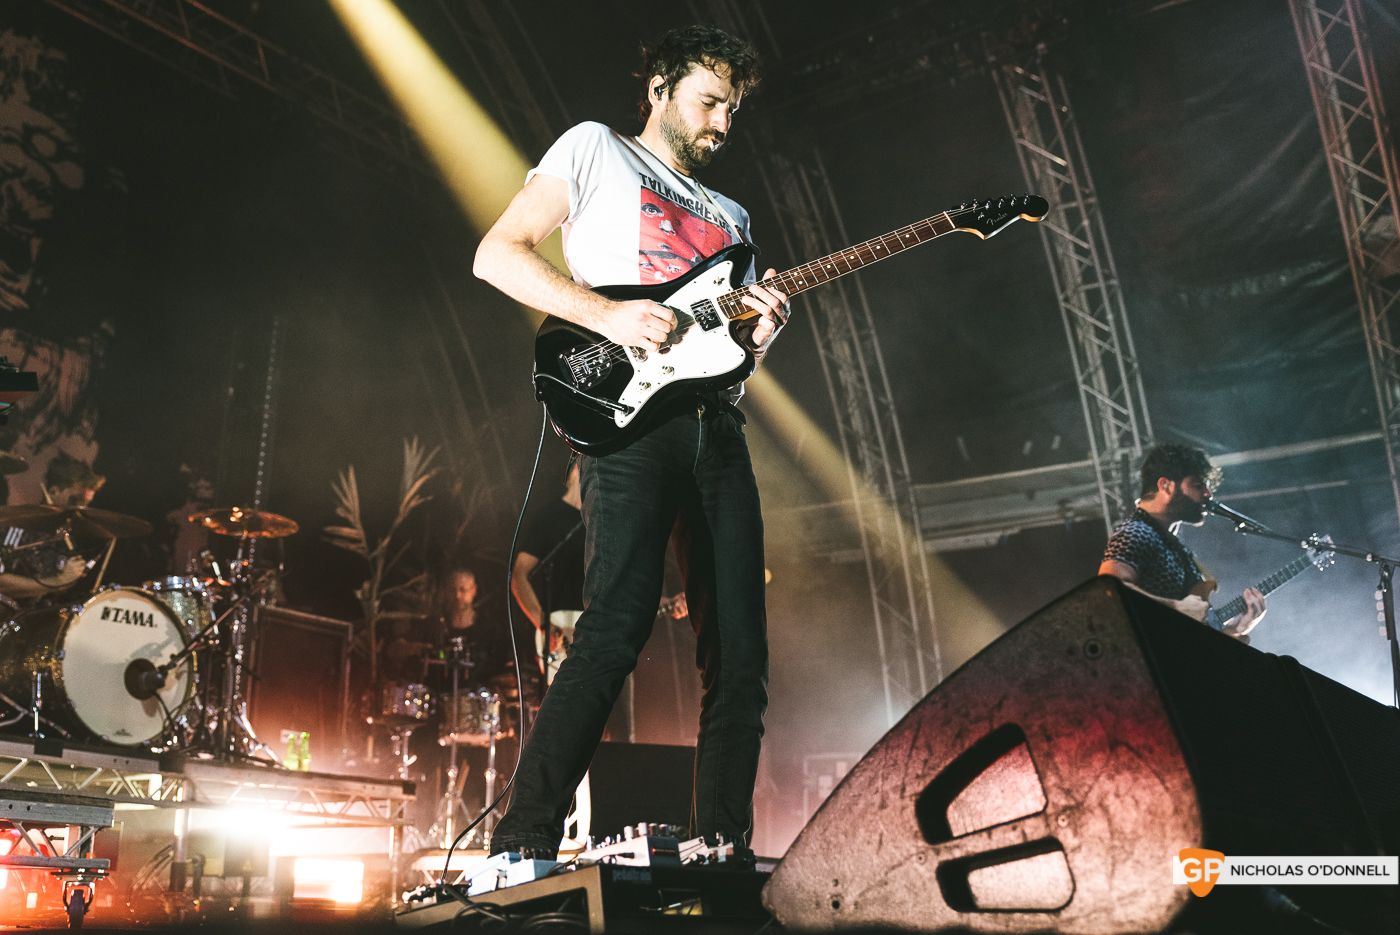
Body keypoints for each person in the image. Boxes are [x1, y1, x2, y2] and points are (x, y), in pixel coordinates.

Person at [474, 24, 788, 861]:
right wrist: (607, 313)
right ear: (659, 87)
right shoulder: (595, 150)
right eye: (710, 100)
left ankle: (722, 845)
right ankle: (523, 836)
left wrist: (759, 341)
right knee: (616, 624)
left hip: (716, 428)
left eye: (734, 109)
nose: (723, 121)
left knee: (743, 654)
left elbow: (728, 366)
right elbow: (495, 255)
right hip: (627, 414)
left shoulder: (734, 217)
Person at [1098, 444, 1265, 641]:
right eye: (1197, 485)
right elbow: (1108, 591)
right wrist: (1175, 608)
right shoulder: (1136, 532)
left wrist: (1236, 629)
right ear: (1165, 486)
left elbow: (1188, 633)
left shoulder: (1174, 546)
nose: (1208, 494)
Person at [0, 452, 102, 600]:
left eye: (86, 502)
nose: (81, 508)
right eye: (76, 499)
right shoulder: (19, 525)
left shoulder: (68, 539)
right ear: (54, 491)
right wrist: (58, 582)